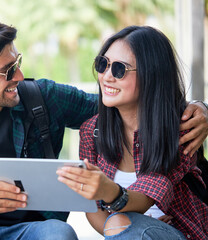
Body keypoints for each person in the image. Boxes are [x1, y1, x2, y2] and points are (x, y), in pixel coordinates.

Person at [0, 19, 208, 239]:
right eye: (8, 71)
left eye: (18, 62)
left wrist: (199, 108)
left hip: (33, 230)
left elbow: (122, 106)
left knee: (58, 233)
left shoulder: (43, 98)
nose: (20, 75)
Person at [57, 26, 208, 239]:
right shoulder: (92, 131)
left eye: (120, 69)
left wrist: (108, 191)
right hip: (120, 233)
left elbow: (148, 195)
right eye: (103, 64)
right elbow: (93, 209)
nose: (107, 77)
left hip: (179, 233)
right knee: (120, 224)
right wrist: (124, 232)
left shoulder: (181, 128)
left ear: (151, 75)